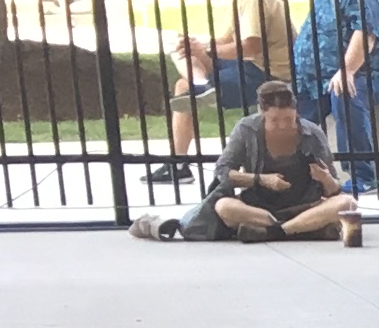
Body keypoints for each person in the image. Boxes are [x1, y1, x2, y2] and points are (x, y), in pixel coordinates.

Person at [128, 87, 358, 247]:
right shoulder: (247, 129)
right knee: (224, 207)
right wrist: (260, 179)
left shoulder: (311, 133)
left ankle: (277, 231)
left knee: (347, 203)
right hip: (259, 207)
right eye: (275, 120)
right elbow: (223, 172)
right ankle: (305, 229)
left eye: (288, 119)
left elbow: (334, 190)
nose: (282, 126)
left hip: (304, 205)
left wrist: (325, 178)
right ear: (262, 113)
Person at [158, 0, 289, 186]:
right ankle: (201, 85)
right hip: (251, 66)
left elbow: (251, 46)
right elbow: (227, 40)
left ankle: (178, 165)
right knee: (181, 57)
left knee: (183, 88)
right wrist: (197, 45)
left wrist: (205, 49)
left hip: (266, 73)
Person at [292, 0, 379, 198]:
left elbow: (366, 34)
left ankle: (363, 175)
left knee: (345, 93)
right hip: (319, 77)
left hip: (367, 73)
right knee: (296, 111)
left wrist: (347, 70)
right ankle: (306, 173)